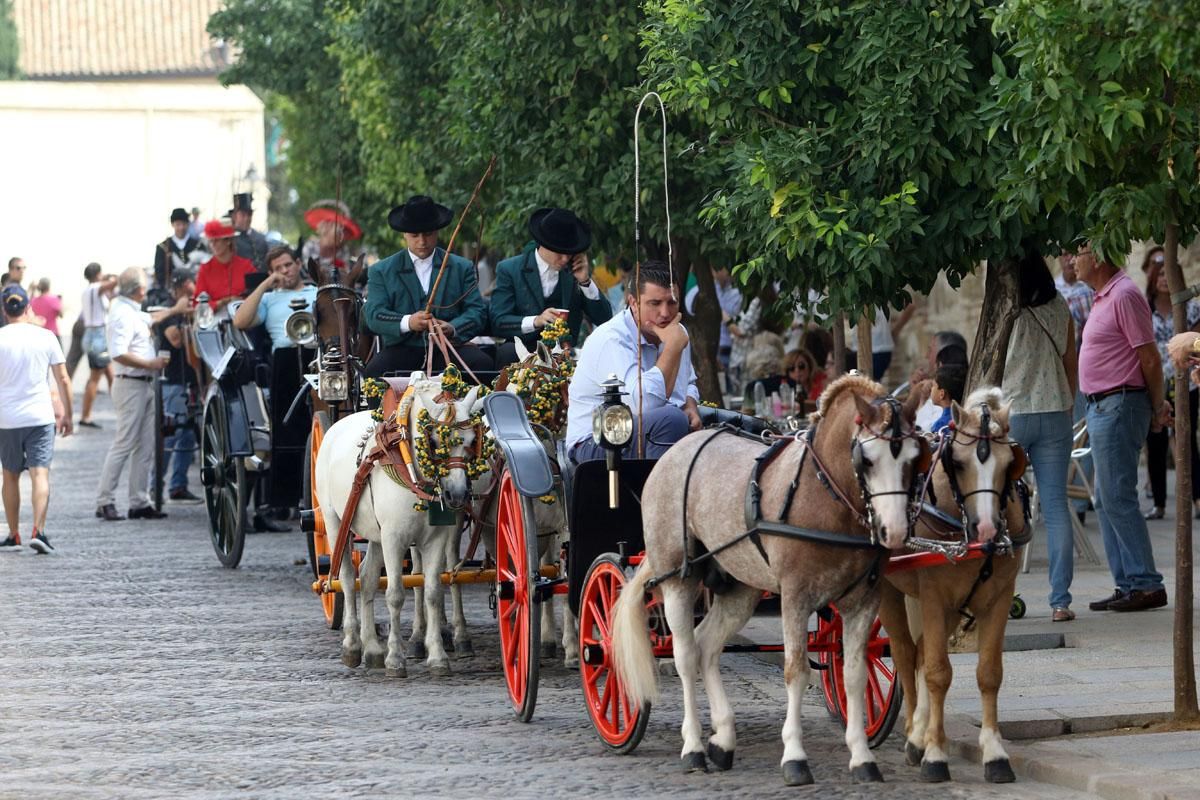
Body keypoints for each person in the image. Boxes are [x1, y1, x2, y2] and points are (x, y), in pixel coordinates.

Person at [1075, 242, 1168, 613]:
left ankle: (1145, 582)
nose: (1071, 260)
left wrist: (1158, 405)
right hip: (1102, 406)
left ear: (1096, 257)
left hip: (1120, 404)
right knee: (1106, 498)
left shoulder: (1125, 294)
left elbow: (1149, 356)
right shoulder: (1103, 297)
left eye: (1078, 252)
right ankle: (1128, 582)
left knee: (1117, 496)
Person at [1001, 250, 1079, 621]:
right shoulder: (1059, 306)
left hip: (1013, 415)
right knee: (1056, 507)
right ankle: (1060, 602)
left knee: (1003, 505)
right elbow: (1069, 360)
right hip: (1054, 410)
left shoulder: (1006, 309)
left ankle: (1004, 593)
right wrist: (1068, 402)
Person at [566, 260, 701, 462]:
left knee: (725, 427)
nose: (665, 313)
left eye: (672, 302)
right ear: (634, 303)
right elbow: (644, 406)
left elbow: (688, 382)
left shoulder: (676, 332)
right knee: (671, 419)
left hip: (648, 431)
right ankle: (659, 493)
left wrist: (690, 405)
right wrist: (672, 348)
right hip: (597, 441)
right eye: (655, 303)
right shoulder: (612, 339)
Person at [94, 268, 190, 521]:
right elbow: (118, 353)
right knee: (124, 442)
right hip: (131, 383)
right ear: (138, 289)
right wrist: (151, 364)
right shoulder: (121, 314)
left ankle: (139, 501)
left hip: (144, 383)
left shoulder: (130, 310)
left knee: (146, 444)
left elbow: (152, 318)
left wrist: (175, 310)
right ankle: (105, 500)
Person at [233, 245, 318, 527]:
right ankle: (286, 497)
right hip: (283, 360)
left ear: (297, 264)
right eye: (278, 268)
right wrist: (267, 284)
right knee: (285, 427)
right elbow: (240, 321)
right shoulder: (268, 299)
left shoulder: (315, 293)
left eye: (288, 265)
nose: (286, 271)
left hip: (315, 355)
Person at [363, 195, 490, 377]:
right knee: (375, 371)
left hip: (448, 349)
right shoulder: (381, 271)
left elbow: (477, 312)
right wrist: (408, 322)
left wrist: (452, 327)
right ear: (405, 234)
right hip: (401, 349)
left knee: (483, 364)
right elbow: (374, 315)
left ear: (437, 232)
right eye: (414, 235)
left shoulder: (461, 267)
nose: (422, 241)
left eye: (428, 234)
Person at [0, 285, 73, 553]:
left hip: (6, 418)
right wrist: (68, 414)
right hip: (40, 416)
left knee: (9, 476)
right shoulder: (46, 337)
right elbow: (63, 378)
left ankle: (13, 534)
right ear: (28, 307)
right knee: (39, 473)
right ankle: (38, 531)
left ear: (4, 310)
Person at [490, 207, 612, 365]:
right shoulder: (510, 269)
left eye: (569, 253)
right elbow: (498, 321)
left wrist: (585, 281)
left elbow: (605, 319)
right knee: (506, 352)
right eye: (559, 252)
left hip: (565, 353)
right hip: (522, 350)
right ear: (543, 244)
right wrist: (536, 320)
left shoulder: (575, 271)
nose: (564, 259)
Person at [1142, 246, 1200, 520]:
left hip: (1187, 381)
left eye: (1170, 273)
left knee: (1187, 438)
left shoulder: (1192, 307)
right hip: (1156, 381)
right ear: (1153, 277)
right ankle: (1160, 503)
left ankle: (1197, 497)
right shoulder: (1143, 307)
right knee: (1155, 440)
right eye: (1160, 273)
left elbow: (1197, 345)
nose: (1164, 278)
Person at [1056, 249, 1095, 521]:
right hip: (1055, 373)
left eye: (1074, 254)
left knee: (1082, 432)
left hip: (1081, 370)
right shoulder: (1053, 291)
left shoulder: (1088, 291)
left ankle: (1079, 502)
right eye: (1064, 254)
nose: (1069, 260)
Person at [156, 272, 201, 504]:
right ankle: (156, 486)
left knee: (188, 436)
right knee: (171, 435)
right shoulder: (167, 309)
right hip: (174, 380)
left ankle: (178, 485)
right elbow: (174, 339)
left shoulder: (190, 309)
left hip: (191, 379)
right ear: (185, 285)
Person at [684, 265, 742, 377]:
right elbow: (689, 321)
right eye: (724, 266)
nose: (729, 271)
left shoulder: (737, 293)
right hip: (707, 352)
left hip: (734, 352)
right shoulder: (698, 292)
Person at [79, 263, 118, 428]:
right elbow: (112, 284)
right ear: (98, 274)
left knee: (111, 375)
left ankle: (121, 412)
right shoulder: (95, 288)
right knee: (95, 377)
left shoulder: (88, 290)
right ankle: (85, 416)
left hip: (94, 335)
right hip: (98, 337)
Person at [194, 217, 257, 310]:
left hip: (243, 316)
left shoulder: (246, 266)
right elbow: (198, 303)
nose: (213, 245)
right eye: (211, 241)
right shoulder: (205, 269)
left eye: (217, 240)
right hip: (214, 320)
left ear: (228, 241)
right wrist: (221, 302)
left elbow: (257, 295)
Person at [912, 331, 968, 430]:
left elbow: (921, 428)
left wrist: (920, 400)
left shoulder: (941, 419)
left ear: (941, 364)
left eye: (930, 350)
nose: (926, 355)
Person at [299, 200, 362, 284]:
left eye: (345, 233)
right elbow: (313, 271)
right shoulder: (310, 246)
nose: (342, 237)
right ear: (325, 229)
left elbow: (345, 273)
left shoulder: (343, 250)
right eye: (338, 233)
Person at [153, 207, 206, 296]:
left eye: (184, 224)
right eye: (178, 224)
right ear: (172, 225)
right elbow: (159, 274)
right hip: (171, 293)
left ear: (188, 224)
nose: (181, 228)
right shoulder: (163, 247)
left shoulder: (198, 245)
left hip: (197, 292)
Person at [231, 193, 269, 272]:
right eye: (243, 215)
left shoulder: (260, 238)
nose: (246, 219)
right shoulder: (230, 239)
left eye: (249, 215)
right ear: (235, 216)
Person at [928, 363, 967, 434]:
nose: (931, 389)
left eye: (933, 386)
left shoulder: (939, 426)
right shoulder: (965, 419)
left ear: (942, 394)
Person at [29, 277, 63, 344]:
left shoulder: (34, 300)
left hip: (39, 335)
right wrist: (60, 301)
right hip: (52, 334)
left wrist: (32, 290)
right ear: (49, 286)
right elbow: (61, 315)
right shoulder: (54, 299)